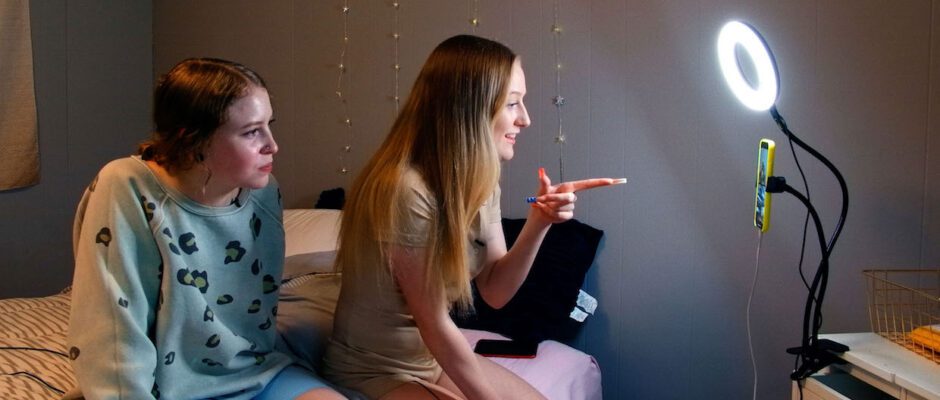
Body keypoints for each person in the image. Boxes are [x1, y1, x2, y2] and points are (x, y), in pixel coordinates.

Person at [322, 34, 618, 400]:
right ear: (469, 108)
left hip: (429, 359)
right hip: (373, 369)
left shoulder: (479, 180)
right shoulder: (404, 189)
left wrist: (538, 223)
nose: (525, 119)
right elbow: (434, 323)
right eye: (512, 104)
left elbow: (494, 291)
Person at [67, 58, 346, 400]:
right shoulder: (127, 186)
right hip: (163, 385)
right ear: (193, 139)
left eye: (269, 125)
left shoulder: (264, 192)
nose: (272, 145)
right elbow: (110, 324)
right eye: (251, 132)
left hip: (252, 371)